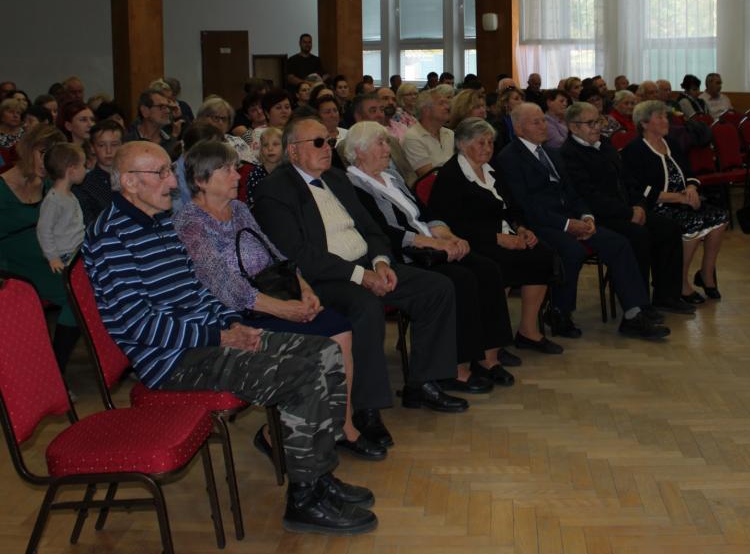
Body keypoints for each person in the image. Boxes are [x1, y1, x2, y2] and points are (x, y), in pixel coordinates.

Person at [86, 141, 377, 535]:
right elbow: (140, 325)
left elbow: (198, 290)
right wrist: (219, 336)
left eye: (170, 171)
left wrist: (232, 326)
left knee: (325, 353)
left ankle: (320, 476)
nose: (173, 182)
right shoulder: (111, 238)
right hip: (172, 361)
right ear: (129, 182)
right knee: (302, 373)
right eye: (161, 173)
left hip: (208, 339)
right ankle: (305, 499)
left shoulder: (159, 222)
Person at [252, 116, 466, 450]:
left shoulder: (337, 179)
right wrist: (360, 276)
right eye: (318, 143)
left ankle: (423, 382)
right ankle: (366, 409)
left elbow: (372, 229)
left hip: (366, 265)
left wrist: (380, 263)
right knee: (365, 307)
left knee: (436, 288)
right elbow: (299, 254)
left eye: (329, 141)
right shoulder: (275, 190)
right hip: (322, 279)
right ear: (293, 151)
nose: (327, 148)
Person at [172, 139, 380, 460]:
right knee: (322, 340)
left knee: (340, 328)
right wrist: (286, 310)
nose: (237, 175)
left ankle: (343, 425)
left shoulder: (239, 209)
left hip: (273, 297)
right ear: (201, 180)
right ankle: (278, 432)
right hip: (236, 315)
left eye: (235, 168)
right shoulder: (190, 223)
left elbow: (276, 255)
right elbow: (225, 287)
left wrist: (304, 288)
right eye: (227, 170)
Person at [343, 122, 514, 394]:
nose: (388, 149)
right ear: (359, 152)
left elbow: (425, 213)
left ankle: (488, 356)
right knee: (461, 279)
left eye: (387, 143)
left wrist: (448, 236)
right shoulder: (352, 185)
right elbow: (383, 232)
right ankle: (454, 368)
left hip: (430, 246)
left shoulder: (391, 176)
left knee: (487, 268)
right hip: (403, 254)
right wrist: (434, 243)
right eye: (381, 144)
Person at [496, 103, 668, 340]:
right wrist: (568, 225)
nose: (543, 125)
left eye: (543, 120)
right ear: (518, 129)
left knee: (618, 243)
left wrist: (586, 217)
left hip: (569, 218)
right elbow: (525, 205)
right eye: (536, 122)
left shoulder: (552, 153)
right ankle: (559, 312)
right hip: (540, 224)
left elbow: (573, 193)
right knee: (572, 250)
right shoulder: (509, 158)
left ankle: (633, 315)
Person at [427, 118, 556, 356]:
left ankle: (528, 331)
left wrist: (521, 228)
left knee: (542, 255)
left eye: (490, 143)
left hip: (504, 233)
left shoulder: (492, 168)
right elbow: (451, 224)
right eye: (481, 143)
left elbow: (512, 205)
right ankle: (494, 340)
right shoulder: (451, 176)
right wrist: (497, 238)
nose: (488, 148)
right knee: (498, 265)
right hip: (474, 241)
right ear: (462, 144)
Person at [0, 126, 82, 371]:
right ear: (27, 150)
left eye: (54, 155)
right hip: (16, 267)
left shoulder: (52, 186)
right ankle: (53, 370)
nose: (48, 161)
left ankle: (54, 368)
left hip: (50, 260)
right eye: (43, 153)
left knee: (89, 288)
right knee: (77, 295)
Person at [562, 101, 687, 315]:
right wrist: (629, 213)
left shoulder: (604, 144)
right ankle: (639, 305)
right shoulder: (569, 154)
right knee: (638, 235)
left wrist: (639, 205)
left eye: (599, 121)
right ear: (573, 127)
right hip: (599, 216)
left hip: (626, 210)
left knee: (669, 228)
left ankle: (667, 296)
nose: (597, 127)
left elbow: (628, 180)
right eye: (591, 123)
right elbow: (590, 196)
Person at [620, 100, 729, 302]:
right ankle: (681, 281)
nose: (666, 121)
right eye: (660, 117)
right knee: (693, 224)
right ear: (644, 123)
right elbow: (638, 189)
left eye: (666, 116)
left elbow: (689, 173)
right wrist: (679, 197)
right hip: (656, 206)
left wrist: (691, 189)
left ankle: (706, 274)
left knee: (720, 218)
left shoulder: (670, 143)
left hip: (681, 201)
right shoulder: (634, 150)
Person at [37, 142, 86, 274]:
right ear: (72, 170)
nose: (85, 169)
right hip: (66, 256)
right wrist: (53, 258)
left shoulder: (69, 195)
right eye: (83, 165)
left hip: (77, 251)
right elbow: (43, 230)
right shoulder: (54, 200)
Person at [73, 119, 123, 226]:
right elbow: (89, 224)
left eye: (114, 144)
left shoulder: (135, 178)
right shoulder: (83, 185)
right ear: (92, 147)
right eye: (101, 145)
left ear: (123, 145)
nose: (109, 151)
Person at [403, 87, 455, 181]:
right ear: (426, 110)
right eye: (441, 103)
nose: (447, 107)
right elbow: (429, 177)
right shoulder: (413, 137)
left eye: (447, 103)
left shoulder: (450, 133)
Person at [245, 88, 294, 163]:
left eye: (287, 107)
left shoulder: (295, 130)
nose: (284, 111)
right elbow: (256, 160)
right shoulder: (260, 133)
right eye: (278, 108)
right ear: (267, 113)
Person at [245, 125, 283, 206]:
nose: (270, 148)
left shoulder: (290, 171)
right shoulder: (255, 174)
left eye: (275, 144)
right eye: (265, 145)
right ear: (261, 149)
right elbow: (251, 202)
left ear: (284, 147)